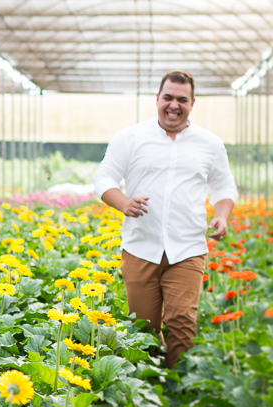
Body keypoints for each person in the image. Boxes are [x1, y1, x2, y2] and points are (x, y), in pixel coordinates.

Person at [93, 70, 237, 368]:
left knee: (182, 323)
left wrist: (222, 216)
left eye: (182, 99)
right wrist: (124, 203)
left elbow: (223, 187)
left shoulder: (210, 144)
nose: (174, 105)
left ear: (192, 103)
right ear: (157, 99)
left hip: (188, 249)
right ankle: (149, 386)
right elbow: (104, 178)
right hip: (140, 247)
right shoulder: (130, 138)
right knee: (143, 328)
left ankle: (178, 389)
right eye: (168, 98)